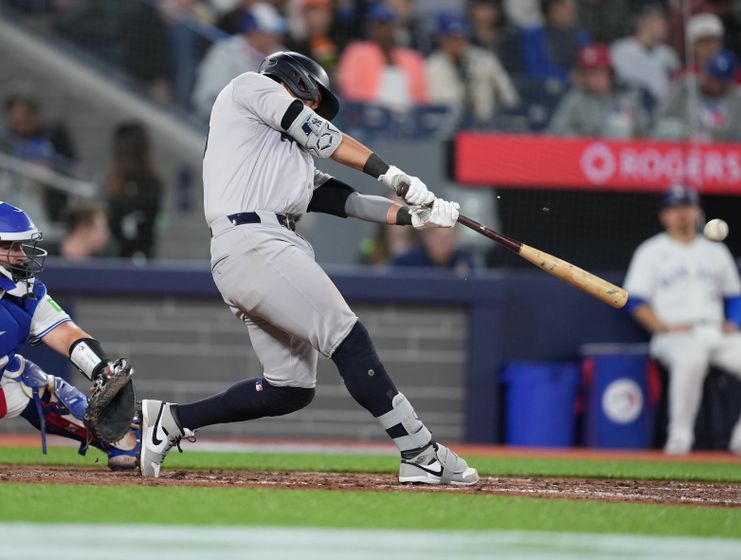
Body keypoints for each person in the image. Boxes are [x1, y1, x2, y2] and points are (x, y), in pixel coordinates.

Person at [138, 51, 477, 486]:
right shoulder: (250, 87)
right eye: (313, 98)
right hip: (255, 242)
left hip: (256, 248)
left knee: (290, 388)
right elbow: (321, 134)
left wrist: (420, 216)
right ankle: (419, 450)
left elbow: (347, 201)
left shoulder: (277, 155)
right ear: (294, 81)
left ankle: (170, 419)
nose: (315, 108)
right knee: (347, 337)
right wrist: (394, 175)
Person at [623, 185, 741, 457]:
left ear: (697, 211)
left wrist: (734, 321)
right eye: (675, 209)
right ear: (664, 215)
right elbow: (634, 300)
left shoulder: (715, 251)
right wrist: (663, 326)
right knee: (691, 357)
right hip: (673, 335)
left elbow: (735, 296)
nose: (682, 214)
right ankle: (679, 437)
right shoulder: (650, 251)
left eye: (687, 207)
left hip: (714, 331)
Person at [0, 201, 139, 470]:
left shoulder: (26, 293)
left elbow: (67, 335)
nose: (21, 256)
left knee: (30, 380)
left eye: (21, 246)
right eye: (9, 247)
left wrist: (101, 370)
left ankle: (117, 439)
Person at [193, 3, 287, 119]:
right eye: (268, 32)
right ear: (253, 30)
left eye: (276, 33)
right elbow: (209, 97)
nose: (274, 38)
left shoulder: (280, 57)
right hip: (211, 123)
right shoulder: (226, 51)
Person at [425, 11, 519, 122]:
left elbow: (509, 98)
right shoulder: (431, 66)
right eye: (452, 38)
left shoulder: (485, 60)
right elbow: (432, 106)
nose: (458, 42)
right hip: (448, 127)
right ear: (441, 39)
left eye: (461, 36)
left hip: (485, 125)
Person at [337, 3, 427, 112]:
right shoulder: (356, 53)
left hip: (408, 119)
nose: (383, 30)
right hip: (370, 117)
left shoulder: (412, 58)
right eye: (379, 25)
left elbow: (421, 98)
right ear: (371, 27)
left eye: (386, 24)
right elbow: (349, 90)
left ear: (394, 27)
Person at [652, 49, 741, 143]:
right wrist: (683, 133)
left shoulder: (740, 102)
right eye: (710, 75)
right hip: (681, 152)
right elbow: (660, 121)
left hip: (721, 158)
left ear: (729, 82)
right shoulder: (686, 87)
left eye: (718, 80)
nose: (711, 82)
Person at [549, 44, 648, 139]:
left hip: (624, 153)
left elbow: (646, 134)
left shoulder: (628, 98)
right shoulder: (575, 99)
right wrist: (587, 140)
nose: (593, 79)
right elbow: (557, 131)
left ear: (610, 74)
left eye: (598, 73)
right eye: (588, 74)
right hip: (586, 153)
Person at [499, 0, 589, 88]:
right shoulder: (532, 35)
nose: (572, 10)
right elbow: (534, 69)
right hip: (539, 90)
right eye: (566, 5)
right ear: (552, 8)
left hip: (576, 92)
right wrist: (566, 76)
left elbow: (587, 67)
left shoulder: (581, 37)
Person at [106, 122, 163, 260]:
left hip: (142, 253)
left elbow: (152, 221)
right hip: (118, 255)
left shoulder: (150, 183)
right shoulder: (116, 183)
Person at [610, 6, 680, 107]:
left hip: (663, 111)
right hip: (630, 107)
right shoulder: (621, 49)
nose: (666, 27)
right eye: (661, 22)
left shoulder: (668, 54)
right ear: (645, 24)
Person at [391, 226, 476, 276]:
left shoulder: (464, 260)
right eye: (439, 238)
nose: (443, 243)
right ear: (427, 238)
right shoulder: (406, 261)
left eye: (447, 239)